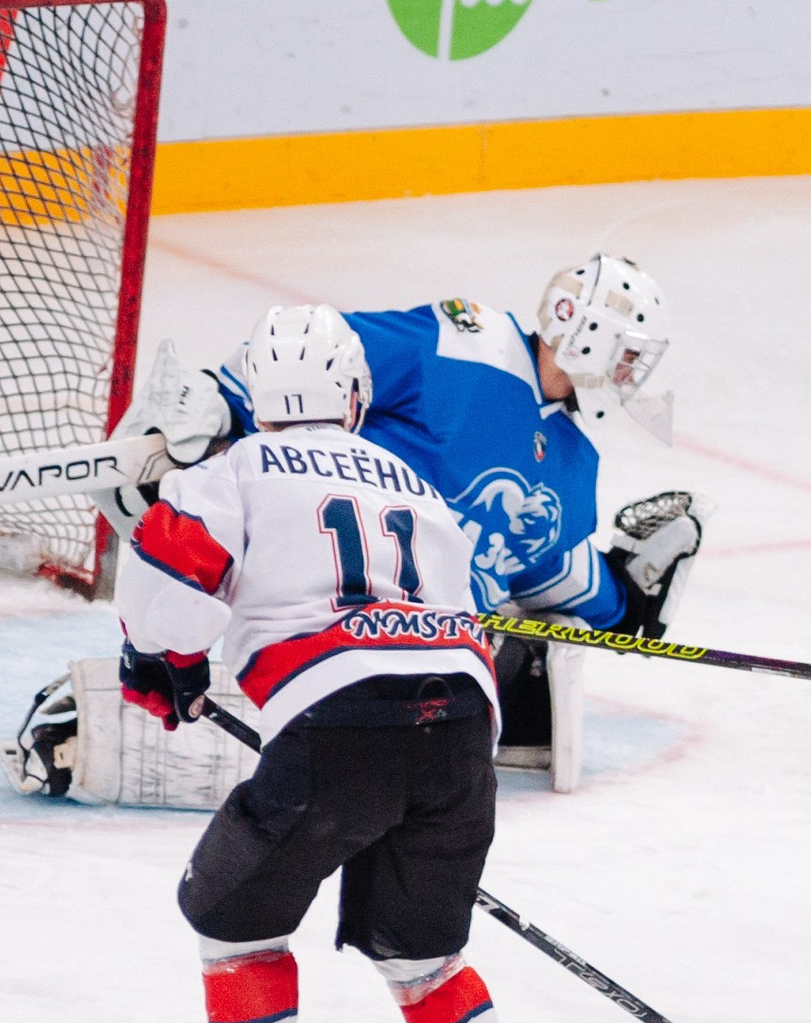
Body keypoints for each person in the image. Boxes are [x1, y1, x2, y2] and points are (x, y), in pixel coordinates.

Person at [117, 304, 543, 1023]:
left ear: (254, 396)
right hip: (465, 727)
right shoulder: (415, 481)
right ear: (355, 398)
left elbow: (169, 600)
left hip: (339, 725)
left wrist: (166, 663)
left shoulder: (231, 469)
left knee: (232, 913)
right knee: (422, 946)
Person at [101, 254, 706, 791]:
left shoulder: (575, 463)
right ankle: (87, 724)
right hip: (321, 619)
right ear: (586, 333)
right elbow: (321, 357)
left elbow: (550, 569)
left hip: (432, 670)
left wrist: (626, 603)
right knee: (153, 715)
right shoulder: (471, 344)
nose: (631, 373)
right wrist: (216, 401)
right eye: (627, 355)